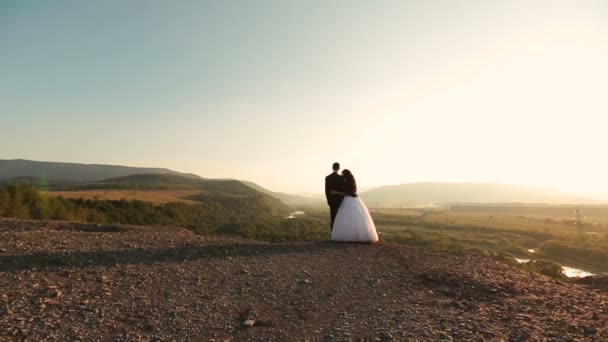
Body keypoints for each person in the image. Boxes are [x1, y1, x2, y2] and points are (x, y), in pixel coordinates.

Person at [330, 169, 379, 243]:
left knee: (346, 217)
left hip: (348, 200)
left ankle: (349, 236)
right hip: (355, 200)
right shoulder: (352, 182)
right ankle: (358, 235)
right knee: (356, 218)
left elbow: (346, 193)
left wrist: (335, 192)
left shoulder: (347, 182)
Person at [325, 162, 345, 231]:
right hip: (340, 201)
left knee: (333, 218)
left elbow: (327, 191)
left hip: (332, 201)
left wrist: (329, 201)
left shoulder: (328, 178)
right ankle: (340, 234)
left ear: (332, 168)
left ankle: (333, 235)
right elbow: (344, 191)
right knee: (340, 218)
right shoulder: (341, 178)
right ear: (339, 168)